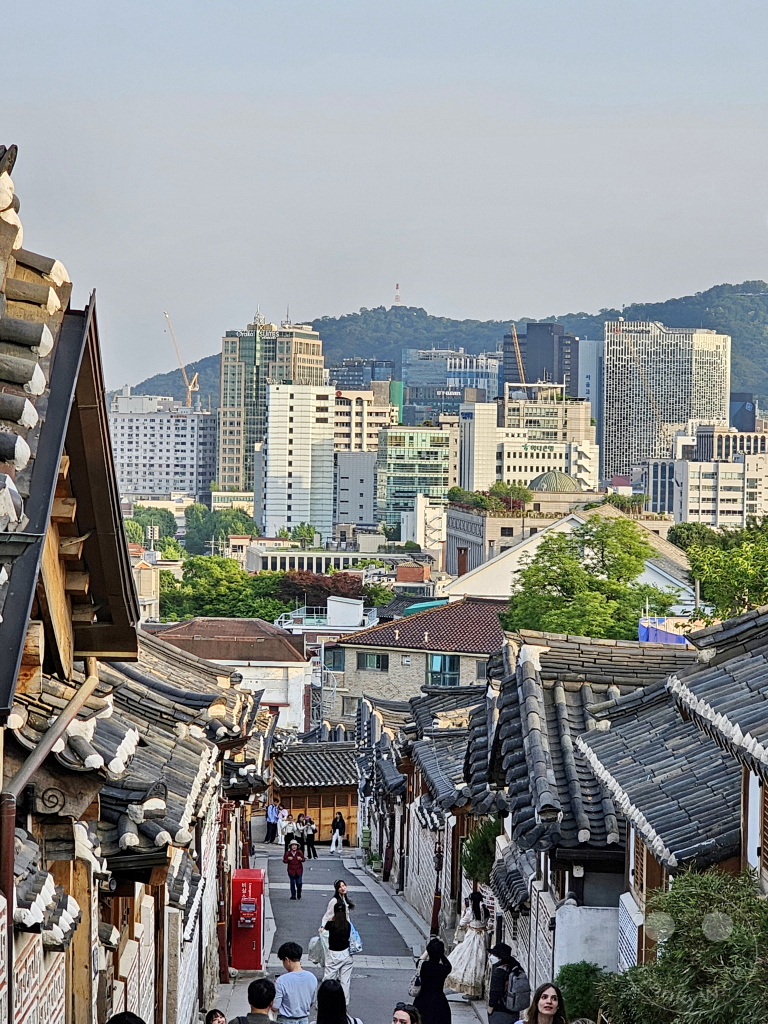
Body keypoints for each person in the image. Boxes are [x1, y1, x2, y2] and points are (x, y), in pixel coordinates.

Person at [445, 892, 490, 998]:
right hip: (483, 937)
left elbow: (462, 923)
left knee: (467, 961)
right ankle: (477, 990)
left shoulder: (470, 912)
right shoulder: (485, 910)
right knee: (479, 962)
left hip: (472, 936)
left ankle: (470, 990)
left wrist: (464, 910)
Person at [274, 941, 319, 1024]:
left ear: (287, 960)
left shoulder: (281, 981)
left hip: (285, 1020)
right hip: (304, 1019)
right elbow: (312, 1001)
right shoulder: (312, 977)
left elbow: (275, 1006)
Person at [487, 943, 529, 1024]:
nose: (492, 957)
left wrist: (490, 1008)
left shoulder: (499, 971)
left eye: (494, 955)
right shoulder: (515, 968)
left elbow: (495, 992)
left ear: (500, 958)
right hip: (513, 1009)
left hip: (499, 1010)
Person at [413, 937, 451, 1024]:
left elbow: (420, 960)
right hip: (439, 1001)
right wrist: (441, 954)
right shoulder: (443, 969)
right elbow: (448, 964)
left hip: (422, 1000)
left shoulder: (423, 966)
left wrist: (427, 950)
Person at [320, 901, 353, 1001]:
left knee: (328, 978)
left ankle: (324, 1000)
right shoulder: (348, 925)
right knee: (345, 981)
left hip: (334, 954)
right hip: (346, 954)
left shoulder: (330, 924)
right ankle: (344, 1002)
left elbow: (324, 932)